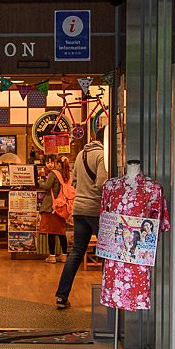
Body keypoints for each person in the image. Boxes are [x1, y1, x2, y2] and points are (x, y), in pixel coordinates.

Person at [54, 126, 108, 309]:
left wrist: (84, 191)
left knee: (76, 252)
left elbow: (74, 181)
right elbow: (102, 183)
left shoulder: (80, 155)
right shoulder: (102, 156)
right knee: (107, 253)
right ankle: (108, 296)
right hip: (95, 209)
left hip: (79, 209)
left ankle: (62, 295)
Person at [37, 155, 71, 263]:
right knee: (61, 232)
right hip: (63, 206)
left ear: (58, 164)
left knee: (51, 232)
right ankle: (64, 255)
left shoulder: (54, 173)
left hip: (52, 206)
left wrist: (40, 181)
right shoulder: (67, 174)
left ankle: (52, 256)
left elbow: (47, 186)